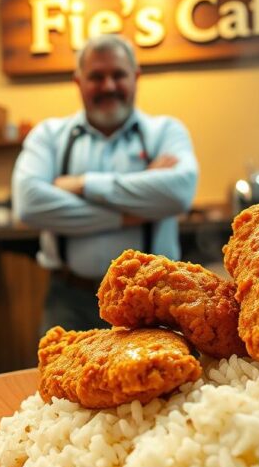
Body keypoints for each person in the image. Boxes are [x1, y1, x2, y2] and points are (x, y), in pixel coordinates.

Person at [12, 34, 199, 333]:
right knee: (59, 379)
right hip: (69, 300)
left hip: (153, 300)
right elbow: (29, 203)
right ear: (78, 82)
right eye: (97, 76)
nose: (109, 86)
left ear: (136, 77)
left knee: (158, 380)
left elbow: (179, 192)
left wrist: (84, 184)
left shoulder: (165, 131)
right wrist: (132, 211)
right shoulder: (48, 135)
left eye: (118, 75)